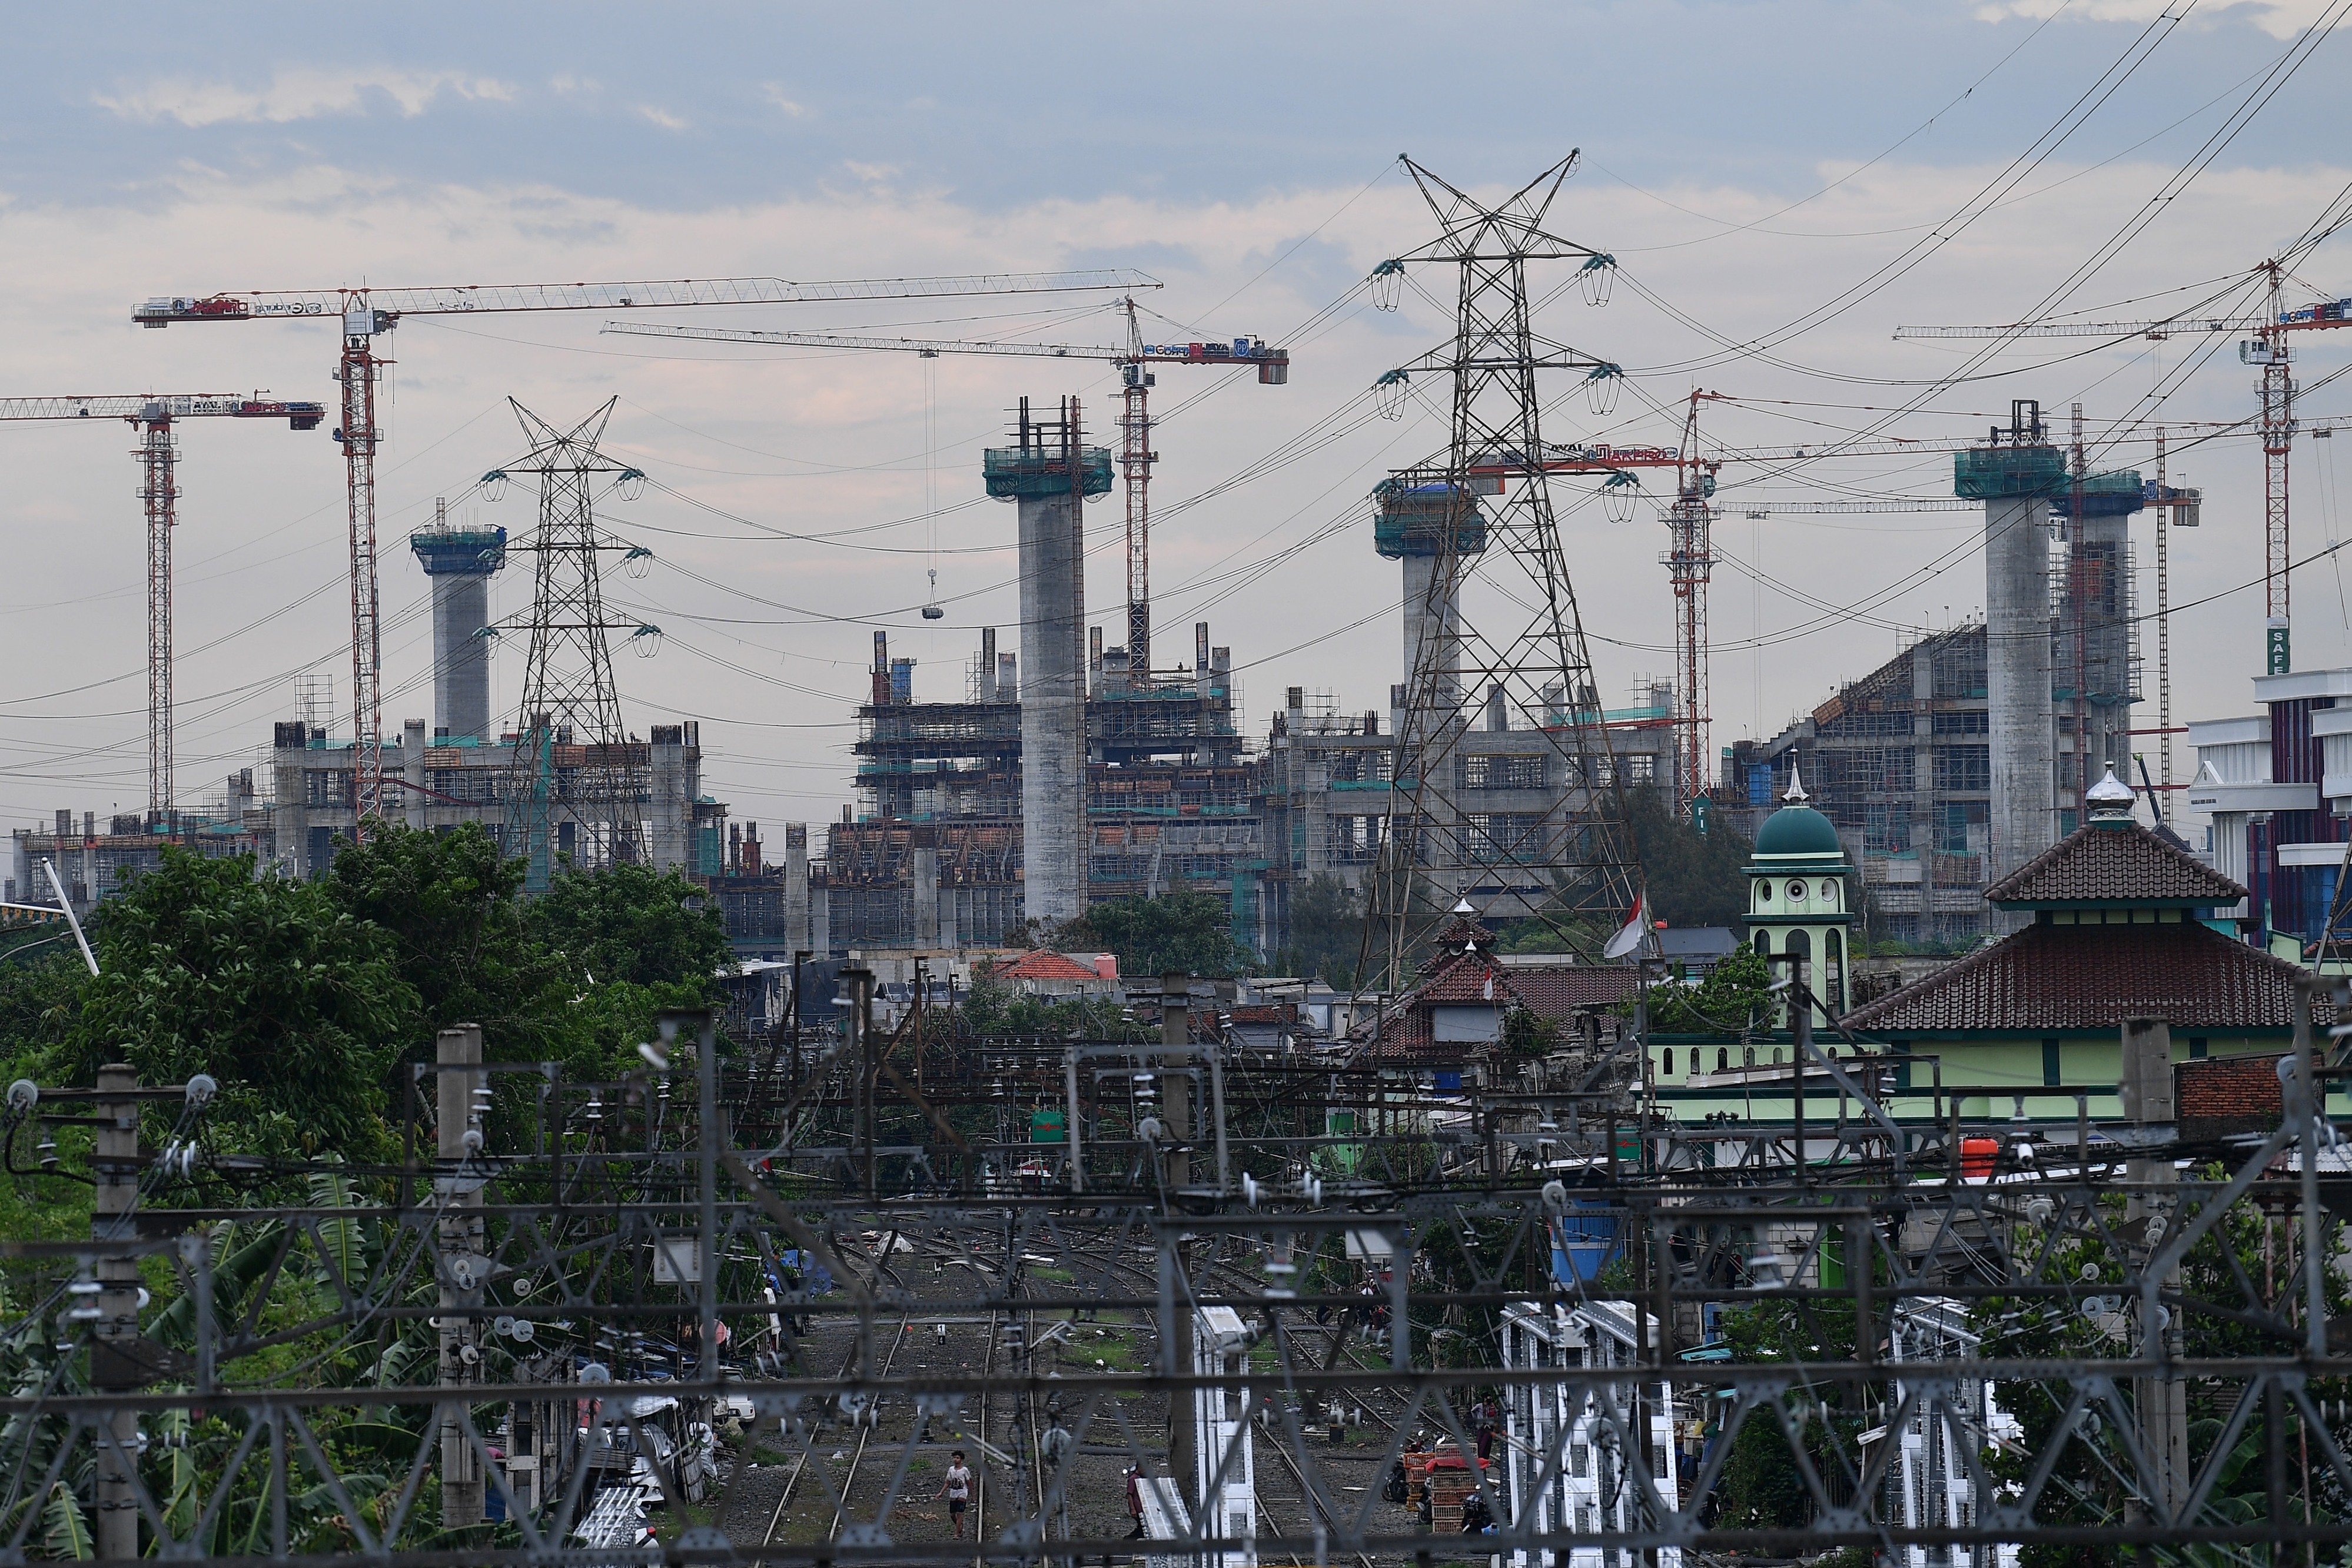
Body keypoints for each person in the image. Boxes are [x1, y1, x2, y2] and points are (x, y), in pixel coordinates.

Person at [939, 1450, 973, 1538]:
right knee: (952, 1514)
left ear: (961, 1459)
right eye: (954, 1458)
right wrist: (941, 1492)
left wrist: (973, 1495)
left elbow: (969, 1482)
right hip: (953, 1493)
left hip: (962, 1492)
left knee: (959, 1513)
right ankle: (959, 1526)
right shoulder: (951, 1470)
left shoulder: (965, 1470)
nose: (955, 1459)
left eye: (957, 1458)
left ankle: (957, 1533)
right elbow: (948, 1482)